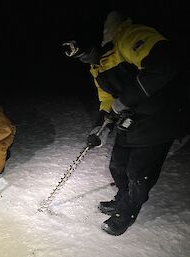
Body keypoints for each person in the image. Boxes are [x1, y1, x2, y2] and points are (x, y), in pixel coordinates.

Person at [63, 10, 186, 236]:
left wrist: (125, 100)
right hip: (131, 119)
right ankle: (122, 198)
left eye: (85, 52)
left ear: (96, 39)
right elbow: (106, 98)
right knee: (117, 166)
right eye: (79, 57)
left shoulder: (129, 36)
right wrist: (101, 127)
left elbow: (163, 66)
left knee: (139, 173)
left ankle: (127, 212)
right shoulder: (97, 64)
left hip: (160, 117)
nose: (84, 59)